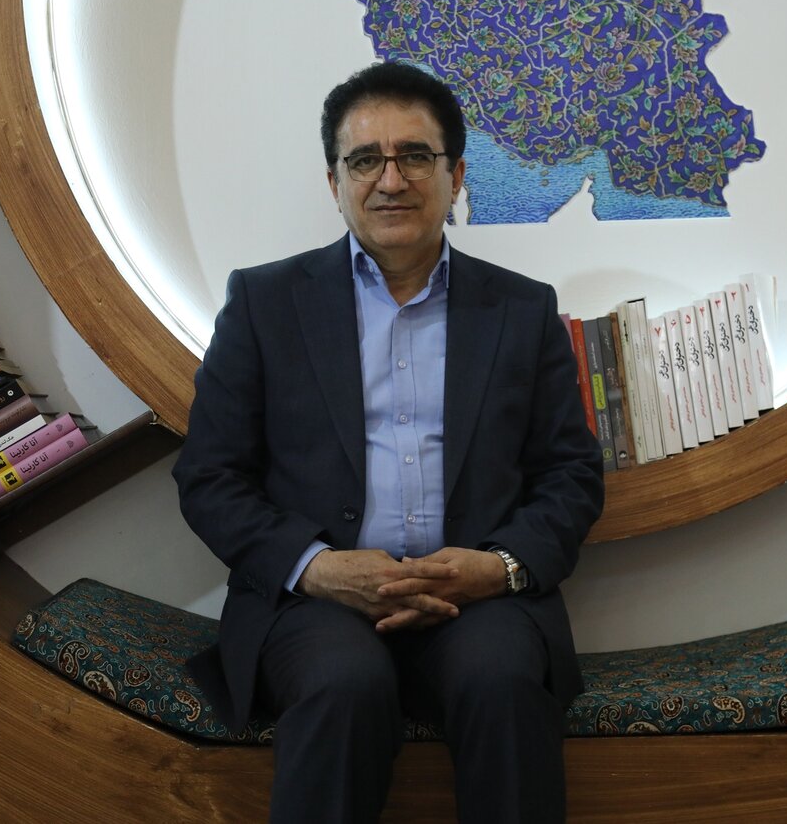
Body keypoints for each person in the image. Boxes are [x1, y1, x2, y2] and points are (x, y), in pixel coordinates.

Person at [172, 61, 605, 823]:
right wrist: (316, 567)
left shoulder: (522, 309)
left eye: (414, 156)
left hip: (477, 599)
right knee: (344, 683)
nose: (391, 179)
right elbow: (209, 475)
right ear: (334, 182)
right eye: (365, 159)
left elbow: (571, 473)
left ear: (456, 174)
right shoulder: (265, 303)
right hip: (313, 603)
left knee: (502, 679)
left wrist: (498, 567)